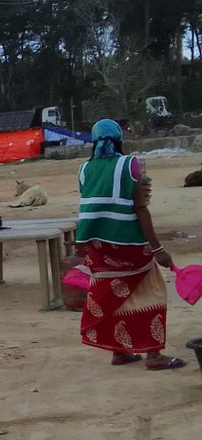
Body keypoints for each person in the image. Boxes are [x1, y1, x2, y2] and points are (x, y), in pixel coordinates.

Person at [76, 119, 185, 370]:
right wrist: (158, 249)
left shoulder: (83, 169)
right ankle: (154, 355)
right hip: (129, 244)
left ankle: (119, 351)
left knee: (116, 294)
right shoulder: (130, 165)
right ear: (118, 139)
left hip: (99, 245)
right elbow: (140, 208)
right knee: (151, 291)